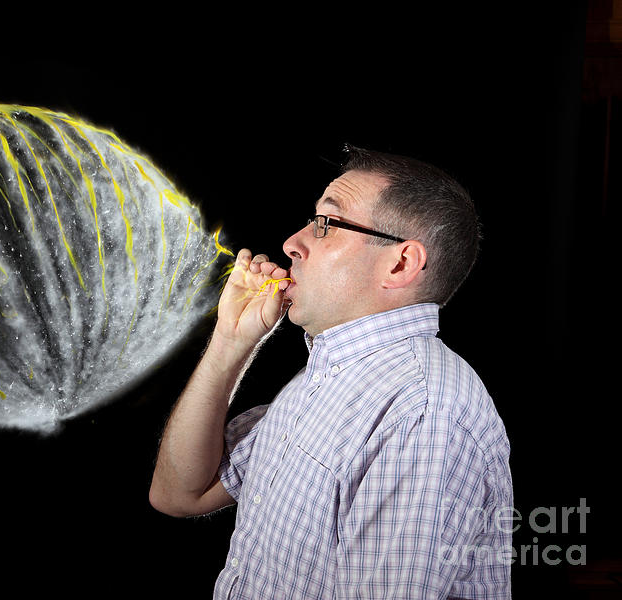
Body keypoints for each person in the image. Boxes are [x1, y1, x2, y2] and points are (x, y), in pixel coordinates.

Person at [149, 145, 513, 599]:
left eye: (326, 224)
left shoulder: (421, 415)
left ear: (400, 263)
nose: (292, 244)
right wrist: (230, 341)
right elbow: (179, 494)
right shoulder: (318, 384)